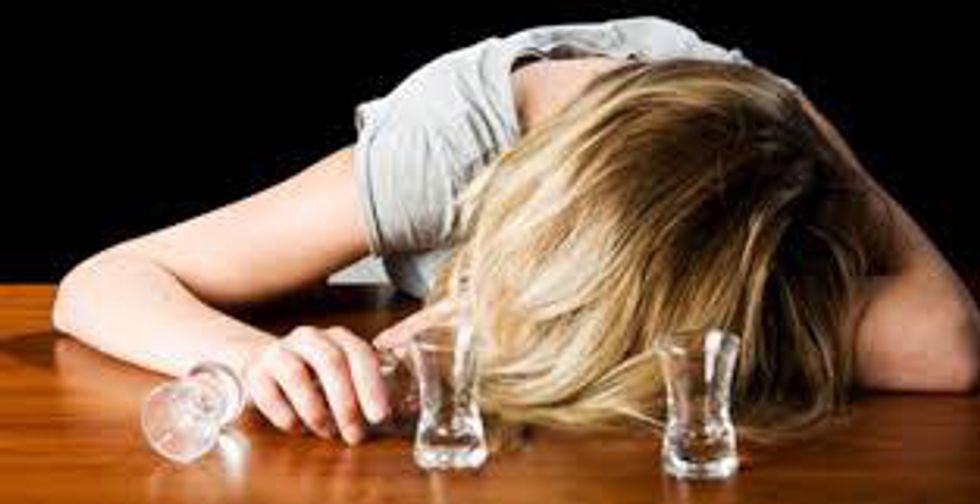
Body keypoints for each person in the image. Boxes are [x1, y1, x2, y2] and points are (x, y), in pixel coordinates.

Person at [51, 16, 979, 446]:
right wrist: (255, 360)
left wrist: (571, 336)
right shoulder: (450, 144)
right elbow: (104, 281)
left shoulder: (780, 147)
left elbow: (947, 345)